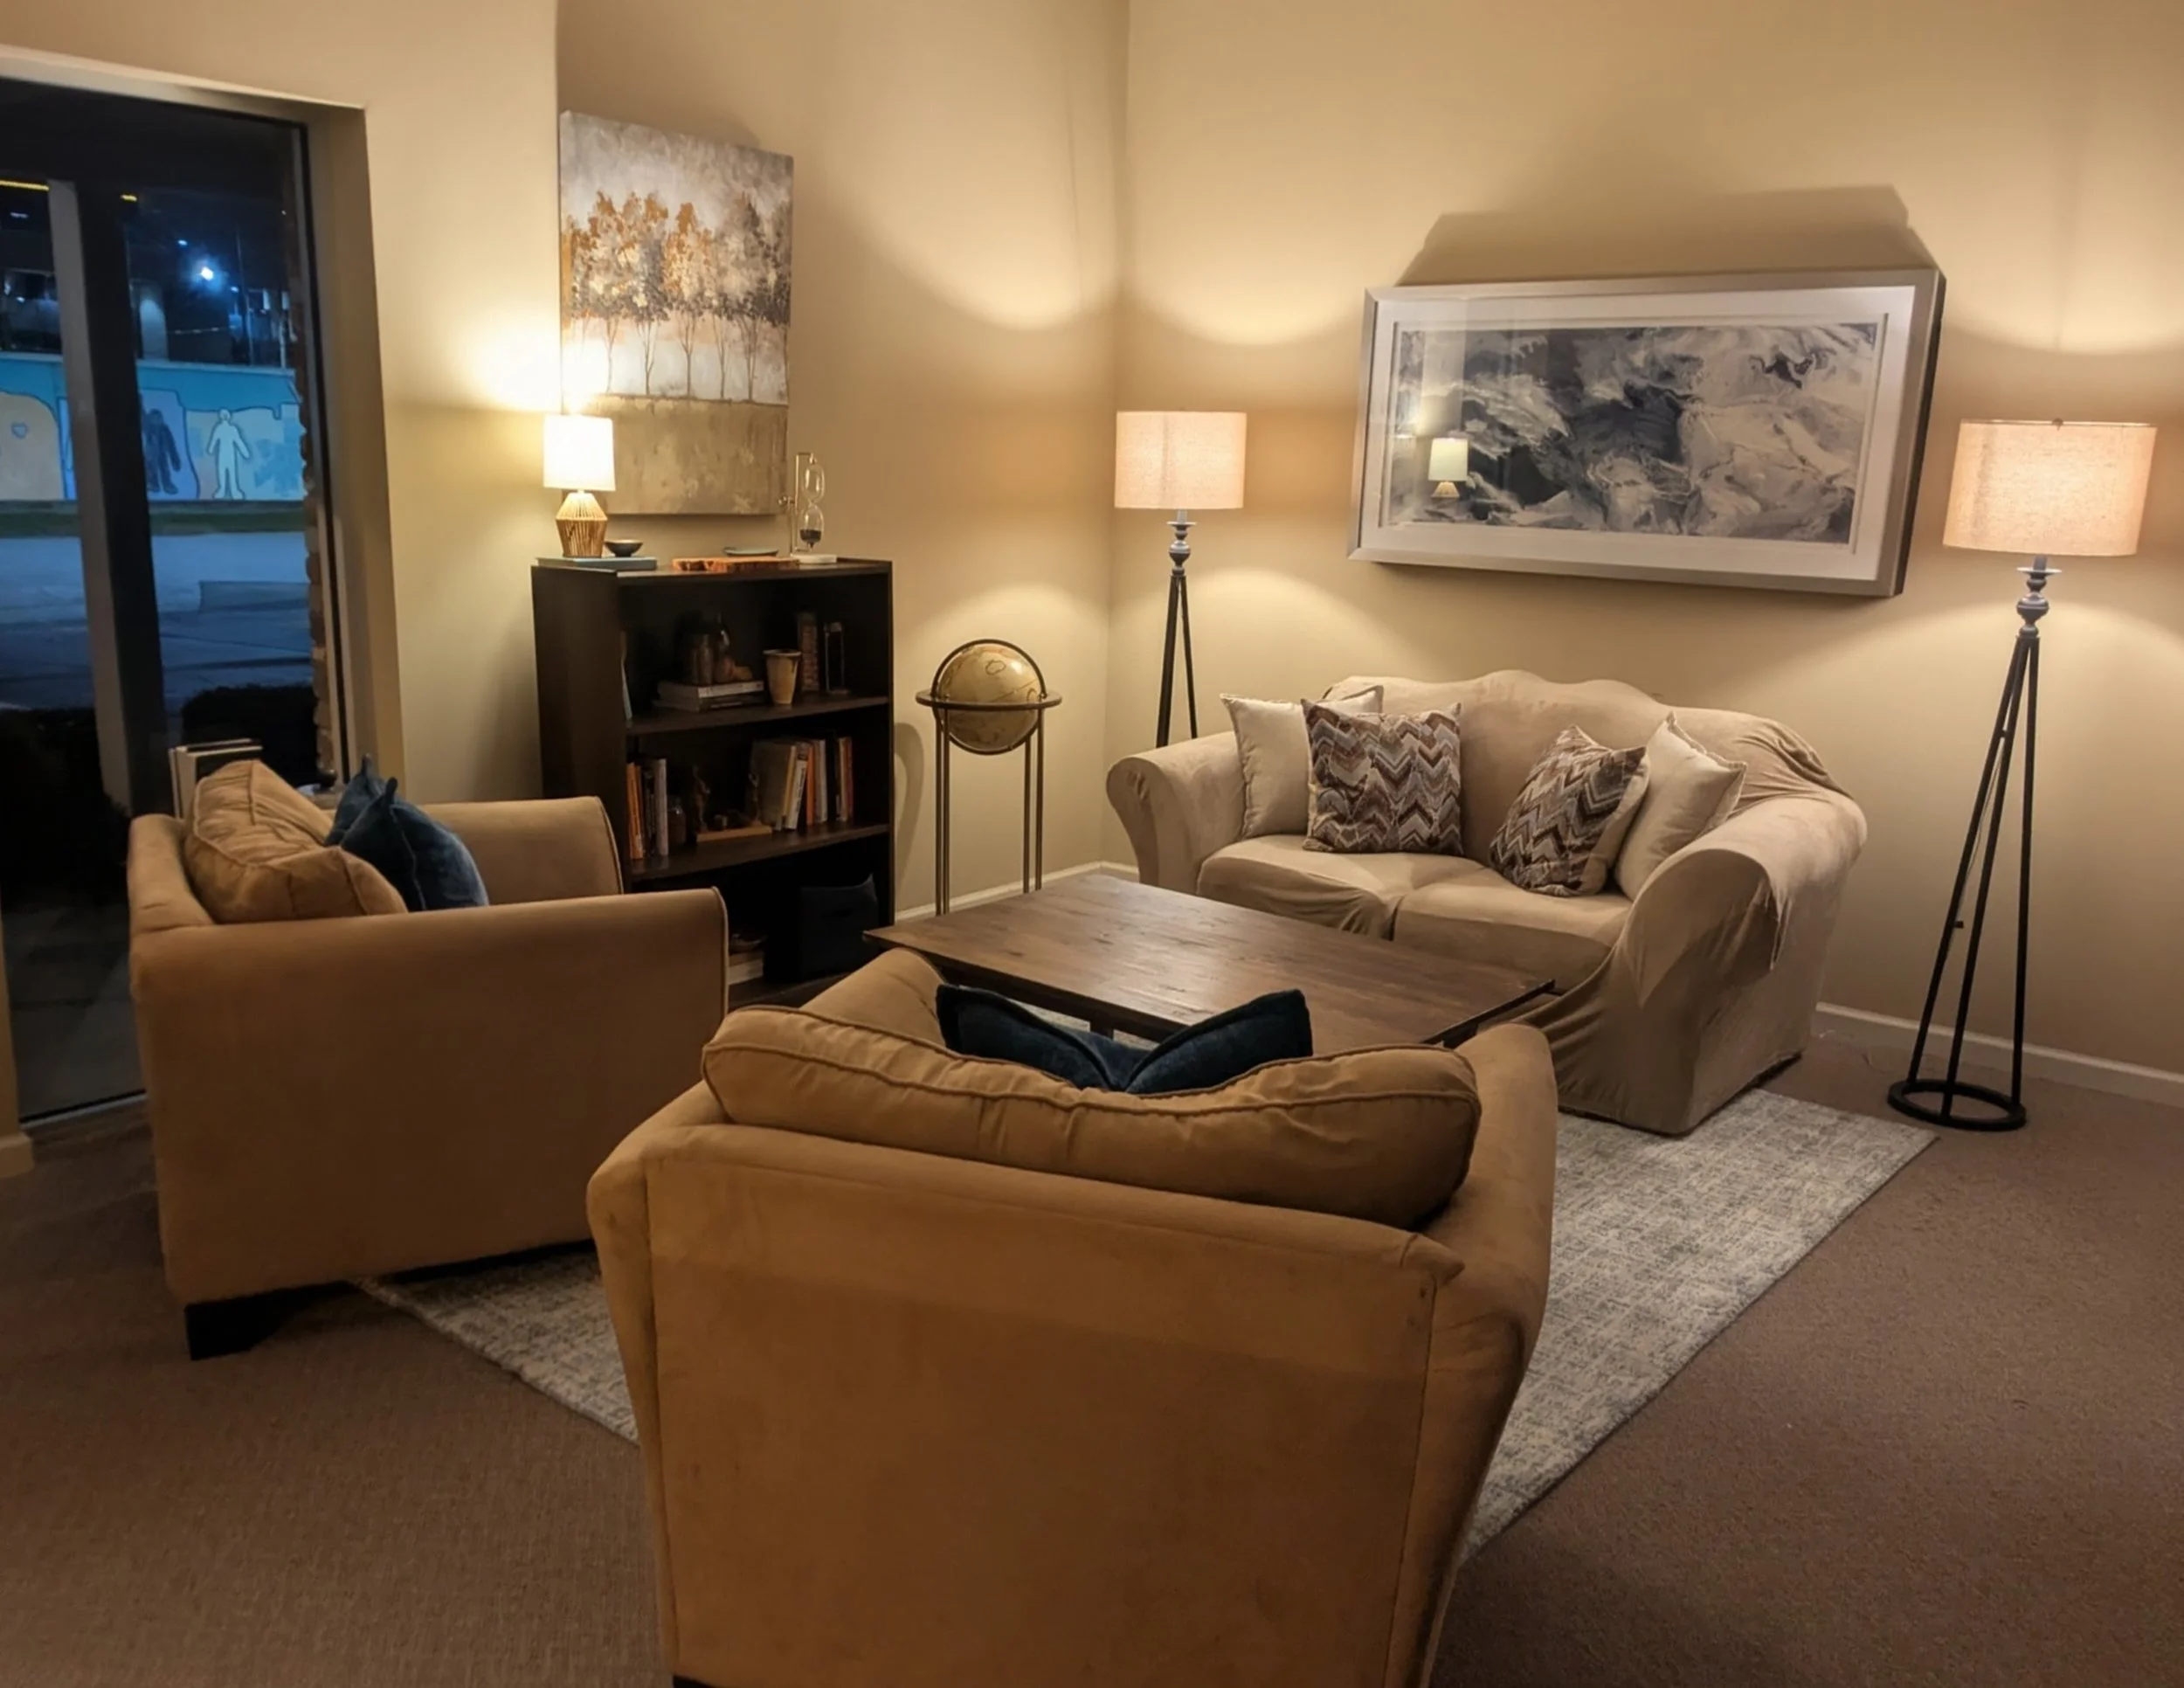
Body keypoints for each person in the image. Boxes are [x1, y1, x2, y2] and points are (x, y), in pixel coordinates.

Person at [207, 408, 252, 500]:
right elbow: (214, 440)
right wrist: (245, 453)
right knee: (226, 473)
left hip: (227, 455)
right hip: (224, 455)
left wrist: (245, 453)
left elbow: (238, 441)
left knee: (227, 473)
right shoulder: (223, 428)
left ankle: (231, 491)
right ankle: (225, 491)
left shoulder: (228, 429)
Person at [142, 405, 184, 496]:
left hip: (161, 453)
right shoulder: (147, 427)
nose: (157, 421)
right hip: (150, 454)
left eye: (159, 418)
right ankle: (153, 483)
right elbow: (142, 415)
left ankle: (166, 484)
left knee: (164, 468)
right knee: (151, 468)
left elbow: (172, 446)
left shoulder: (164, 429)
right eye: (155, 419)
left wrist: (175, 461)